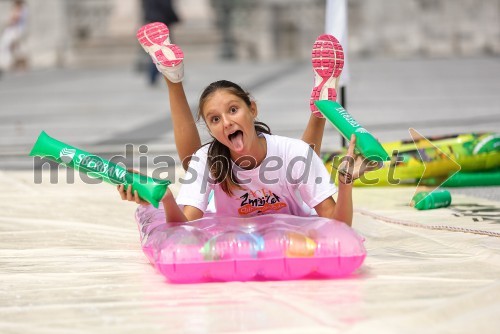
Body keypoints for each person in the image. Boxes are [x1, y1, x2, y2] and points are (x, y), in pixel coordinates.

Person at [122, 22, 378, 226]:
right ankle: (172, 77)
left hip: (292, 209)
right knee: (198, 162)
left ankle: (173, 78)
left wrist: (345, 183)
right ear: (209, 130)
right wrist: (164, 198)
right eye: (214, 119)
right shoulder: (209, 159)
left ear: (252, 109)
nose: (226, 122)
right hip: (228, 212)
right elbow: (184, 226)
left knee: (298, 160)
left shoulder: (295, 152)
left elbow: (339, 226)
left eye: (233, 110)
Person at [141, 0, 180, 86]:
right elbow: (167, 7)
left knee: (158, 50)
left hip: (152, 22)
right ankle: (172, 75)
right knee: (164, 51)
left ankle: (155, 76)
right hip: (162, 23)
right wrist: (176, 19)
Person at [0, 0, 28, 74]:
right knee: (15, 48)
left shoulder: (20, 9)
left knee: (6, 46)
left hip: (14, 30)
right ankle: (18, 65)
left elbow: (14, 19)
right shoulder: (23, 8)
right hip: (16, 30)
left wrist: (7, 23)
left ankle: (14, 65)